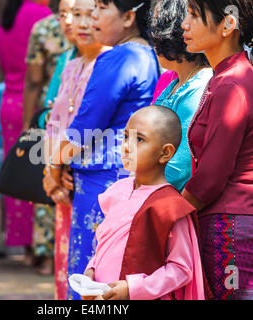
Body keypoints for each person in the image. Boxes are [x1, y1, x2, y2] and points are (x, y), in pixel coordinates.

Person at [47, 0, 159, 300]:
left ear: (128, 17)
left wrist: (53, 166)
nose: (92, 17)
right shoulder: (147, 53)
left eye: (99, 8)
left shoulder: (118, 57)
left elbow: (83, 129)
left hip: (101, 179)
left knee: (90, 275)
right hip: (128, 175)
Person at [83, 106, 205, 300]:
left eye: (139, 139)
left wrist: (134, 289)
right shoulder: (117, 191)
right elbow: (106, 245)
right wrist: (92, 269)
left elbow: (181, 269)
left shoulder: (169, 206)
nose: (126, 146)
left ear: (165, 153)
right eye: (125, 137)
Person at [181, 0, 253, 300]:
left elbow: (211, 176)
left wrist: (164, 215)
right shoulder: (226, 77)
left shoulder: (231, 85)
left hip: (230, 226)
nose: (184, 23)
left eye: (194, 15)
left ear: (227, 25)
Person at [43, 0, 110, 300]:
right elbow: (53, 123)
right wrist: (51, 171)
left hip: (90, 178)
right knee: (66, 262)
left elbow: (93, 129)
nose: (81, 24)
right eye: (76, 15)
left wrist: (60, 168)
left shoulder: (109, 63)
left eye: (90, 15)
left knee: (90, 267)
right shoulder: (70, 65)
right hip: (62, 182)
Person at [0, 0, 51, 263]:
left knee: (18, 172)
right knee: (39, 173)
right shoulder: (43, 17)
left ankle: (25, 248)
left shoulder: (8, 14)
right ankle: (40, 248)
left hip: (8, 103)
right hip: (36, 105)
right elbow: (35, 77)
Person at [24, 0, 71, 276]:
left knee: (62, 177)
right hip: (52, 112)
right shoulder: (42, 29)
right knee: (49, 178)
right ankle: (46, 253)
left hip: (75, 113)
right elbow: (34, 80)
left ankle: (54, 254)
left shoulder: (43, 28)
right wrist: (29, 127)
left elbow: (33, 81)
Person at [150, 0, 213, 192]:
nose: (153, 36)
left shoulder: (199, 85)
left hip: (163, 194)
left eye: (157, 26)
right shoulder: (176, 82)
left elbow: (179, 168)